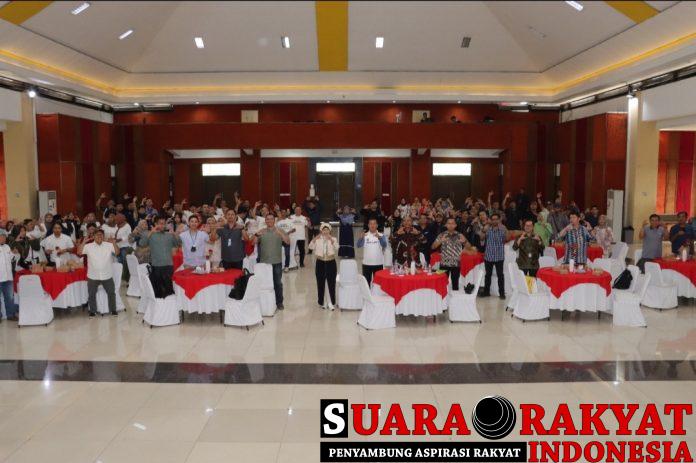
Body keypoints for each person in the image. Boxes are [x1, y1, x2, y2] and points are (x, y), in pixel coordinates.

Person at [78, 229, 118, 317]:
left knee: (111, 293)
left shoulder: (109, 245)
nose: (99, 236)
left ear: (103, 236)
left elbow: (117, 252)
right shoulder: (88, 246)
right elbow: (79, 252)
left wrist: (114, 243)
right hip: (93, 275)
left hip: (107, 274)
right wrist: (84, 242)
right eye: (97, 235)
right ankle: (93, 311)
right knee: (91, 294)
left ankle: (113, 310)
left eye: (101, 235)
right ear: (93, 236)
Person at [139, 216, 181, 297]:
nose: (162, 225)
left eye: (164, 224)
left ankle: (168, 304)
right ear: (155, 224)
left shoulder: (169, 235)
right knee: (158, 292)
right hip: (156, 266)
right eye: (160, 224)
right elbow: (142, 244)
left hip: (169, 265)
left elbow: (178, 243)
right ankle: (158, 304)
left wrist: (174, 234)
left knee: (169, 291)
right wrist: (151, 232)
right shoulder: (150, 234)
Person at [254, 214, 289, 310]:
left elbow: (288, 242)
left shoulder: (280, 230)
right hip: (264, 263)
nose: (269, 221)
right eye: (267, 219)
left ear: (274, 220)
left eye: (271, 219)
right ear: (265, 221)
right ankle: (265, 303)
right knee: (264, 284)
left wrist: (280, 234)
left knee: (277, 283)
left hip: (276, 262)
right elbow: (254, 242)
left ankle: (279, 302)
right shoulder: (262, 231)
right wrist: (257, 235)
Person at [432, 218, 470, 290]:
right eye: (449, 223)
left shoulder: (460, 235)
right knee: (442, 285)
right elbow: (433, 247)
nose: (450, 225)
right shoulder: (442, 235)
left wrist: (464, 242)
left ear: (455, 225)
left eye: (452, 223)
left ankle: (455, 297)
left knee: (455, 285)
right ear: (446, 225)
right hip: (444, 264)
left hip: (456, 264)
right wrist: (440, 241)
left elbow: (469, 247)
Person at [308, 223, 339, 310]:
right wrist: (315, 238)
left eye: (327, 230)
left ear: (330, 230)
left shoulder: (333, 239)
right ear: (321, 231)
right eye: (324, 230)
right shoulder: (318, 239)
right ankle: (322, 302)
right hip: (320, 262)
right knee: (320, 282)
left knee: (331, 282)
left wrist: (331, 240)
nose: (325, 232)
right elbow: (310, 247)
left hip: (331, 262)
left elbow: (337, 247)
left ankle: (331, 302)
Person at [480, 213, 507, 299]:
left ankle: (502, 293)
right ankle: (486, 292)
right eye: (493, 219)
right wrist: (483, 230)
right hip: (489, 256)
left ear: (499, 220)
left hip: (499, 256)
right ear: (491, 220)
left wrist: (505, 232)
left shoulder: (503, 229)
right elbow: (481, 238)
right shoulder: (487, 229)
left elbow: (506, 239)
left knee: (500, 275)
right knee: (488, 275)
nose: (494, 221)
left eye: (496, 219)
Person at [357, 218, 387, 285]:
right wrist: (361, 238)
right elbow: (358, 245)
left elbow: (384, 245)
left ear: (377, 225)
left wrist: (379, 238)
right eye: (371, 224)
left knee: (378, 285)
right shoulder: (365, 235)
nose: (372, 225)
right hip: (366, 264)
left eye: (374, 223)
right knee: (366, 284)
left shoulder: (381, 235)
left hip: (378, 263)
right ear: (368, 225)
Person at [0, 234, 18, 321]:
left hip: (8, 277)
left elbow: (12, 258)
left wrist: (14, 253)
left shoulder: (7, 247)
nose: (3, 239)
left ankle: (11, 315)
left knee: (10, 297)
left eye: (4, 238)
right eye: (1, 238)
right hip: (0, 277)